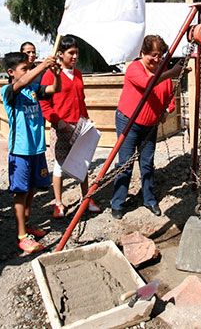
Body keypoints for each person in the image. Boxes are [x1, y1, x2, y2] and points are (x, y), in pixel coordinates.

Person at [110, 35, 186, 219]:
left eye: (160, 55)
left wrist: (167, 110)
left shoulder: (163, 74)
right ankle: (118, 203)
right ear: (142, 53)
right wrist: (171, 73)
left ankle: (149, 199)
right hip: (129, 121)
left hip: (149, 126)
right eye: (152, 54)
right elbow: (147, 84)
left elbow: (169, 98)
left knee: (147, 163)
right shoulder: (134, 68)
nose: (157, 59)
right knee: (125, 163)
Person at [1, 52, 60, 254]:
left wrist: (56, 74)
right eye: (24, 68)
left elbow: (54, 89)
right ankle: (21, 235)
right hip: (20, 151)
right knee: (20, 191)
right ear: (11, 72)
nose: (28, 72)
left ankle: (27, 225)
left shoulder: (33, 89)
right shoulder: (8, 91)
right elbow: (22, 82)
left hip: (37, 148)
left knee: (32, 189)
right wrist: (42, 65)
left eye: (29, 67)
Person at [40, 35, 101, 218]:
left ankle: (86, 199)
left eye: (77, 53)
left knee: (82, 163)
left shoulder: (78, 74)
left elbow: (80, 100)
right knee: (60, 166)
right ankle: (58, 204)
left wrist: (86, 120)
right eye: (71, 53)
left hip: (79, 124)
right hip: (61, 127)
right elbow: (44, 104)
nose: (75, 57)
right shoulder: (50, 75)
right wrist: (58, 122)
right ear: (60, 54)